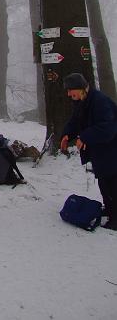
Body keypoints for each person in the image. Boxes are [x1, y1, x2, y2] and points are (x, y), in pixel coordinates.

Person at [60, 73, 117, 231]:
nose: (69, 94)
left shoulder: (99, 101)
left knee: (112, 182)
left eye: (71, 90)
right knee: (103, 180)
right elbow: (75, 121)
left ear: (81, 88)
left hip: (112, 148)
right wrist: (67, 134)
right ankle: (110, 209)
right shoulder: (82, 101)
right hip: (101, 149)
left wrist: (85, 137)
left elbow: (108, 128)